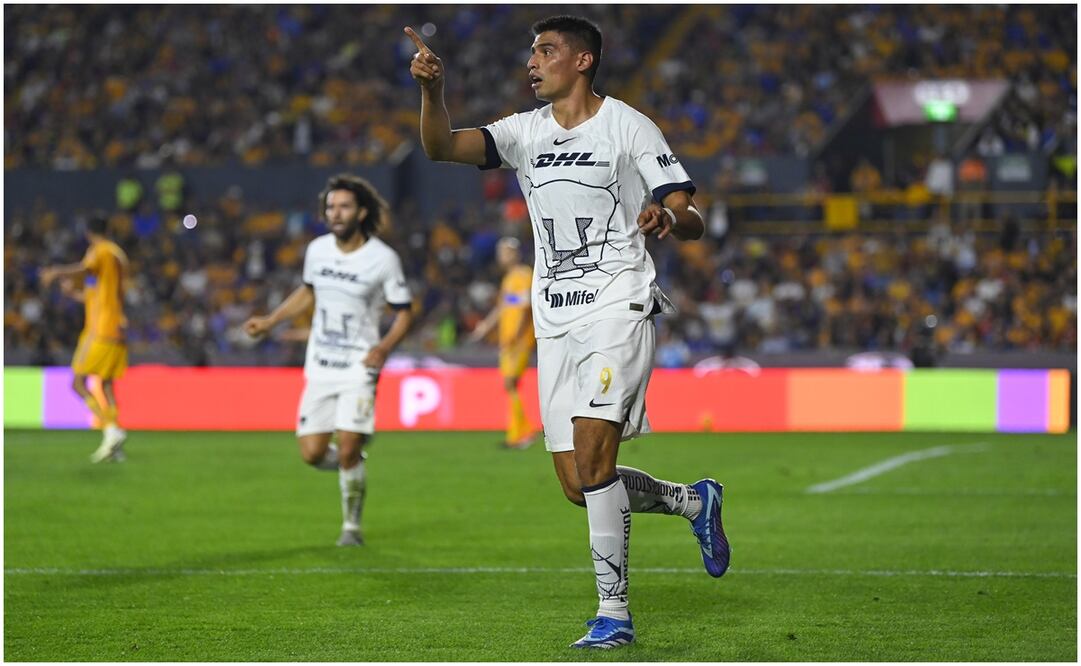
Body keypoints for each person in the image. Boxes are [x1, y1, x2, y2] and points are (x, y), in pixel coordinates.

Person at [405, 15, 730, 649]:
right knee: (579, 485)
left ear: (582, 61)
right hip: (553, 320)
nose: (533, 62)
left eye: (546, 51)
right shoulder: (523, 133)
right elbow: (441, 146)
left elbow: (691, 213)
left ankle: (614, 613)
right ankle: (696, 503)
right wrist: (431, 92)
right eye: (531, 52)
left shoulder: (628, 126)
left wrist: (666, 212)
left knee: (593, 459)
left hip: (618, 305)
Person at [244, 174, 414, 547]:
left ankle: (351, 526)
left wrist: (383, 348)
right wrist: (272, 321)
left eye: (344, 206)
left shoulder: (383, 259)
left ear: (361, 212)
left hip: (359, 366)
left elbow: (404, 312)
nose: (336, 213)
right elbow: (308, 292)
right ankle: (352, 466)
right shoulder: (318, 251)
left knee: (350, 443)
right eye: (331, 207)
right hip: (320, 364)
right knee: (312, 453)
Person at [40, 213, 130, 463]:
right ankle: (115, 445)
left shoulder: (100, 250)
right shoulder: (117, 256)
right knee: (107, 384)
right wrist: (75, 293)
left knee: (77, 384)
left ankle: (111, 431)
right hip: (117, 329)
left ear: (89, 233)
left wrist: (57, 272)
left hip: (99, 330)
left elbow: (84, 268)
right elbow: (96, 294)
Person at [468, 237, 537, 449]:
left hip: (518, 340)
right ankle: (519, 432)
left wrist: (517, 334)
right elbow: (502, 308)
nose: (501, 257)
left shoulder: (524, 275)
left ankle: (522, 433)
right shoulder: (509, 279)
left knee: (510, 383)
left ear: (514, 253)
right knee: (510, 385)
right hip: (508, 339)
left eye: (504, 252)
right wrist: (484, 328)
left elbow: (526, 307)